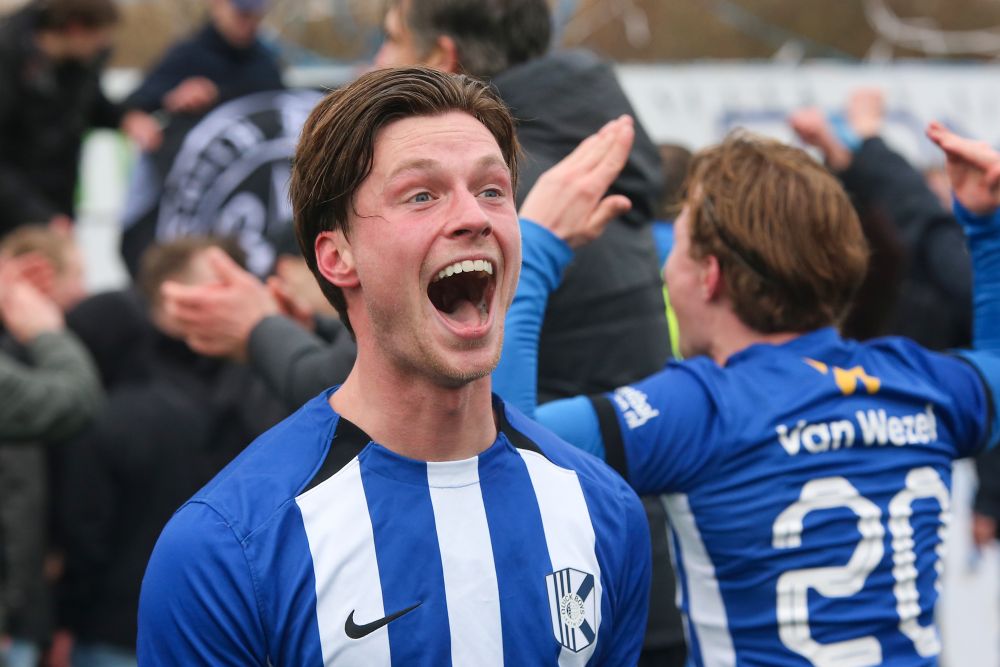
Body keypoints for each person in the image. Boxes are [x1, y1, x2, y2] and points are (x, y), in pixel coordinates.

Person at [137, 67, 651, 665]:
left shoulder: (604, 510)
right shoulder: (226, 548)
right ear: (337, 256)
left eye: (492, 191)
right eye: (422, 195)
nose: (474, 217)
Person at [493, 125, 1000, 665]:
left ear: (709, 276)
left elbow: (510, 452)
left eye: (678, 248)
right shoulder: (918, 382)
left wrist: (536, 246)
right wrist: (988, 230)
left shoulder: (703, 409)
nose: (667, 270)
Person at [54, 238, 286, 667]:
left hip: (235, 637)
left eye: (237, 283)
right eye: (216, 286)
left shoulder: (272, 395)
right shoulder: (115, 403)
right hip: (120, 634)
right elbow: (84, 532)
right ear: (169, 298)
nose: (235, 299)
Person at [0, 231, 103, 667]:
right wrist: (16, 611)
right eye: (76, 275)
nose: (83, 290)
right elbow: (18, 500)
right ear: (40, 281)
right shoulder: (30, 365)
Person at [0, 0, 161, 237]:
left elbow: (90, 104)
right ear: (75, 28)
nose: (105, 44)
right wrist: (37, 216)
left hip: (55, 206)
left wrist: (125, 118)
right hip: (14, 211)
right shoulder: (8, 59)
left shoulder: (80, 62)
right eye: (100, 36)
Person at [124, 0, 282, 118]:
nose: (250, 23)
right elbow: (136, 102)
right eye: (243, 14)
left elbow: (279, 96)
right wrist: (170, 98)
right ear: (217, 5)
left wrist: (217, 93)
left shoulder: (265, 59)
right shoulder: (187, 55)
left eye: (257, 16)